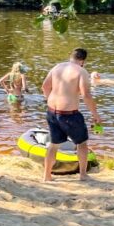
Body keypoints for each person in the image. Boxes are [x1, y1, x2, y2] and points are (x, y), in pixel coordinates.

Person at [42, 48, 102, 182]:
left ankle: (47, 176)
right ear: (83, 61)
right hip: (69, 115)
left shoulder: (57, 67)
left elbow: (45, 86)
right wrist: (95, 114)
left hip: (52, 112)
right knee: (82, 143)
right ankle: (83, 174)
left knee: (53, 144)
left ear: (71, 57)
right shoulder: (81, 71)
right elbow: (86, 95)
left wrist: (50, 100)